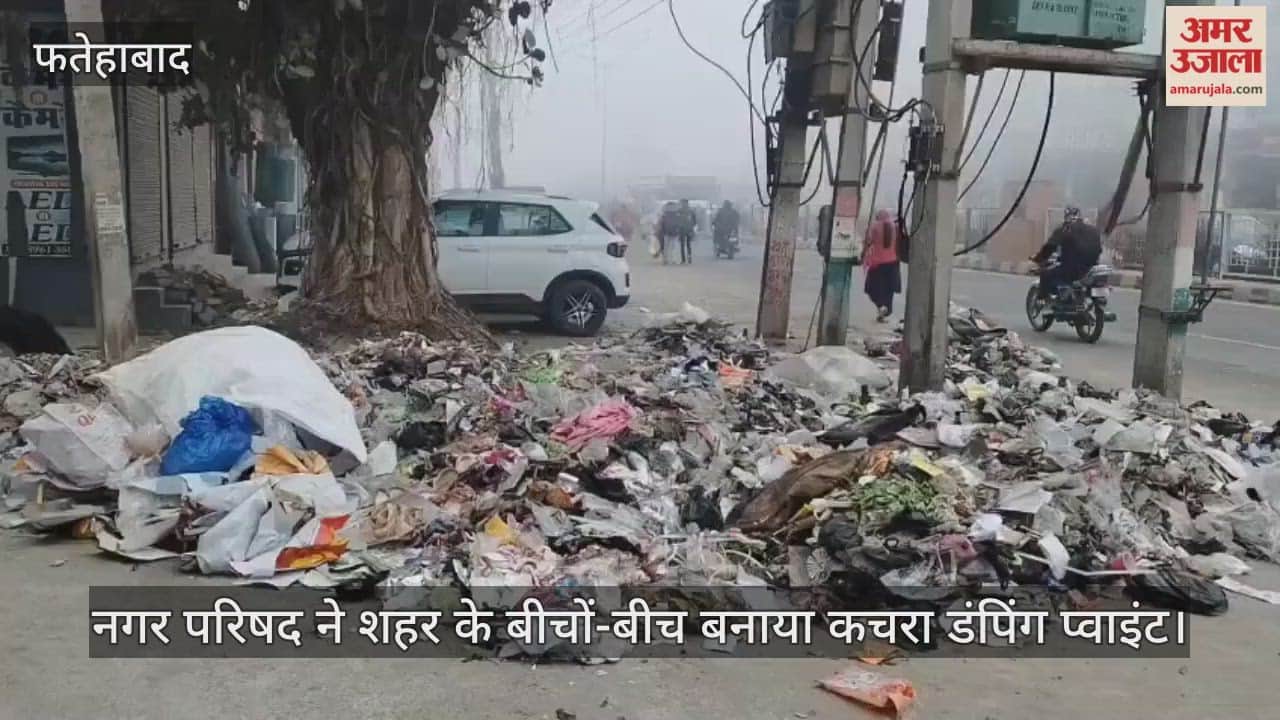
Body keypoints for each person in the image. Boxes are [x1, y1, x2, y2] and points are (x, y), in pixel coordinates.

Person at [1033, 206, 1102, 299]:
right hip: (1091, 268)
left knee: (1045, 274)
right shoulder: (1092, 229)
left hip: (1071, 268)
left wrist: (1038, 259)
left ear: (1066, 216)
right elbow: (1099, 248)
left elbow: (1049, 248)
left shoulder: (1065, 229)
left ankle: (1042, 299)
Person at [862, 209, 902, 322]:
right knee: (889, 290)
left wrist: (863, 254)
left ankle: (880, 306)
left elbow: (868, 242)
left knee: (871, 289)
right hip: (893, 263)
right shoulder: (895, 227)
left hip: (877, 264)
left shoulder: (874, 227)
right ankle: (885, 310)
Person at [677, 199, 697, 264]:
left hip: (682, 229)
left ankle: (683, 260)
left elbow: (677, 220)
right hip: (688, 229)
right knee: (688, 245)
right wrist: (692, 226)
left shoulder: (679, 211)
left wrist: (678, 226)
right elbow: (695, 221)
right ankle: (689, 258)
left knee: (682, 245)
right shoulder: (691, 211)